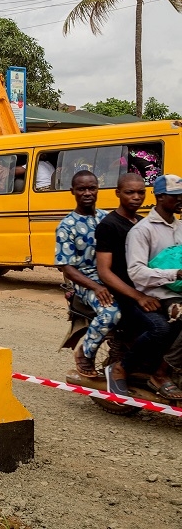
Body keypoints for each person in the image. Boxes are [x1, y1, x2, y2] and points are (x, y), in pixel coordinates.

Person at [97, 173, 174, 396]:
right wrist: (138, 297)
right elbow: (104, 271)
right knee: (161, 328)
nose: (136, 197)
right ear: (118, 193)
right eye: (130, 192)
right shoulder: (109, 225)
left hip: (149, 289)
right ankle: (121, 368)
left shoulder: (142, 222)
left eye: (140, 192)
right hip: (125, 296)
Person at [122, 174, 182, 400]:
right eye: (175, 196)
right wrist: (173, 273)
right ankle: (161, 373)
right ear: (160, 197)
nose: (180, 200)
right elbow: (136, 272)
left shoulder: (180, 226)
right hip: (158, 293)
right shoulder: (142, 230)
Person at [55, 170, 119, 379]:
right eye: (81, 189)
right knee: (111, 313)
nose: (87, 193)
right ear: (72, 191)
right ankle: (86, 352)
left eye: (91, 188)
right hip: (86, 282)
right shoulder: (67, 226)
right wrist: (96, 287)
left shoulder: (106, 218)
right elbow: (66, 267)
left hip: (110, 275)